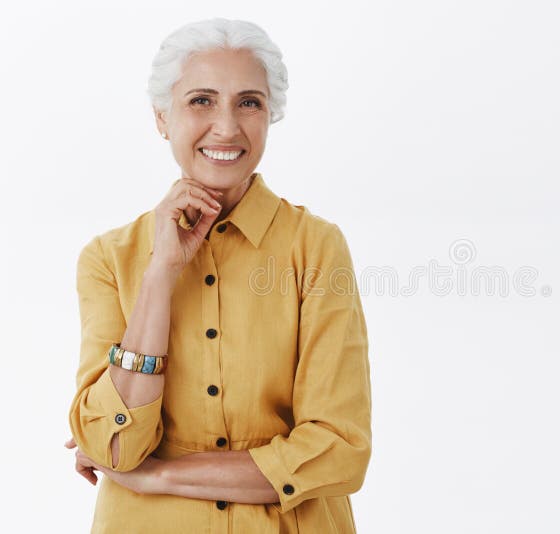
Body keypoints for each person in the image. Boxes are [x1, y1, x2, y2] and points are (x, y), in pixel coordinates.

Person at [63, 18, 372, 533]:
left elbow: (338, 450)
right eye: (201, 101)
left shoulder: (316, 247)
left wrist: (161, 476)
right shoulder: (107, 258)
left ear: (270, 115)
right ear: (162, 117)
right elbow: (114, 445)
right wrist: (160, 273)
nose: (226, 127)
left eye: (249, 102)